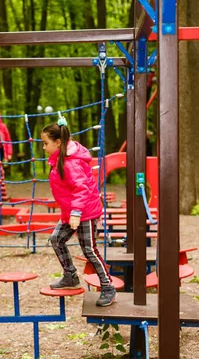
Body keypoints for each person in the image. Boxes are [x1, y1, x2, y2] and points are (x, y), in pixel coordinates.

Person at [42, 117, 116, 307]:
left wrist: (76, 213)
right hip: (72, 210)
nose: (43, 147)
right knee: (56, 239)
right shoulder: (61, 159)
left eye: (45, 143)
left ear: (58, 143)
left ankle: (108, 286)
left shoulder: (70, 162)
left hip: (85, 211)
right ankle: (70, 276)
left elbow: (81, 188)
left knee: (89, 250)